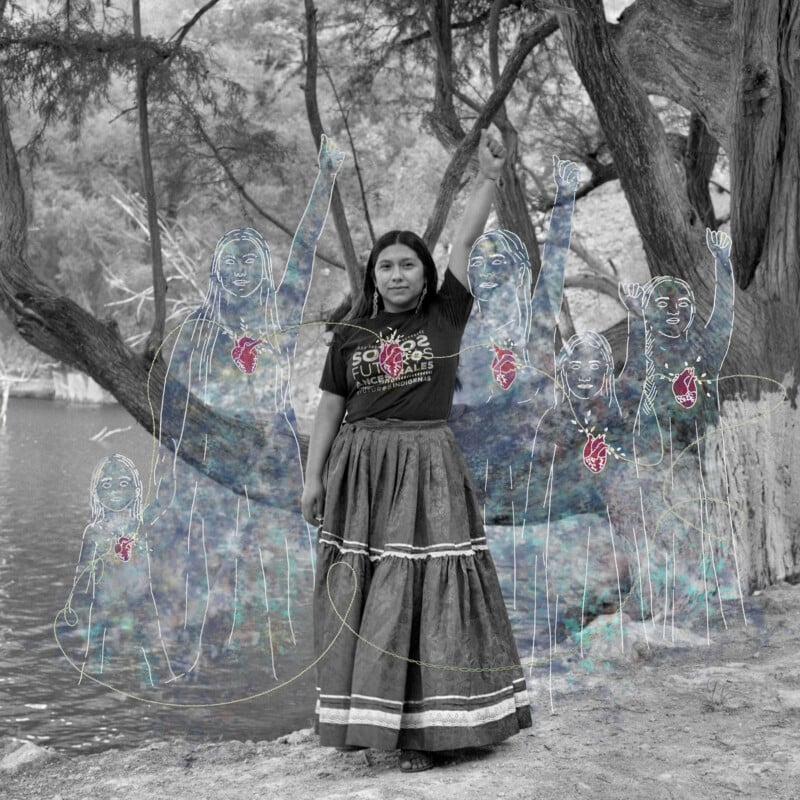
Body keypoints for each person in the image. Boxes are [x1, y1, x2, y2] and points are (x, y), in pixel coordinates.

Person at [301, 130, 531, 773]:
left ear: (426, 275)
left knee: (429, 589)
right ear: (372, 276)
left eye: (408, 265)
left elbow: (465, 240)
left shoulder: (444, 317)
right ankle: (376, 723)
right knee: (371, 592)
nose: (397, 274)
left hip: (428, 467)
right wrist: (313, 478)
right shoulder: (351, 333)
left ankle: (434, 733)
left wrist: (489, 178)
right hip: (361, 473)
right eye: (386, 266)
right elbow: (330, 408)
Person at [148, 135, 344, 682]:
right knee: (213, 571)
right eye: (230, 260)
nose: (240, 268)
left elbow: (303, 251)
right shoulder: (197, 330)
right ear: (217, 271)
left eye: (250, 259)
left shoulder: (280, 317)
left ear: (263, 270)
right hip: (218, 468)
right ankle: (211, 670)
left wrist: (325, 179)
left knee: (281, 570)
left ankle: (293, 667)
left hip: (275, 462)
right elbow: (180, 408)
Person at [59, 454, 158, 687]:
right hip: (103, 603)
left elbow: (151, 569)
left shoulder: (141, 529)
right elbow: (83, 574)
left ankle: (149, 683)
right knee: (99, 649)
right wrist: (75, 602)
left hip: (138, 601)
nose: (115, 491)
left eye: (123, 483)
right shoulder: (94, 532)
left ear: (136, 489)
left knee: (144, 648)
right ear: (96, 493)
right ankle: (94, 684)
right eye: (106, 485)